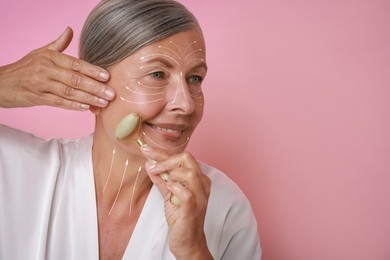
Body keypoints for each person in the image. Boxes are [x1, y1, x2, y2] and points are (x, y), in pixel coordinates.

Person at [0, 0, 261, 259]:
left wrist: (193, 251)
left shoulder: (225, 206)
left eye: (195, 78)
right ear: (91, 82)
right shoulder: (16, 169)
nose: (186, 104)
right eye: (157, 74)